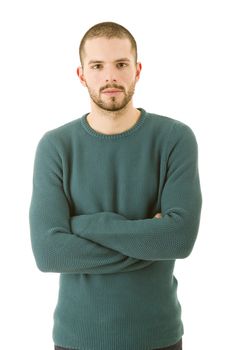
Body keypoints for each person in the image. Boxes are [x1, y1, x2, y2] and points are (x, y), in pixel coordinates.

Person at [29, 21, 202, 350]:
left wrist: (82, 226)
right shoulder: (55, 146)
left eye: (121, 64)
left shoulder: (175, 139)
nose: (110, 77)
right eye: (97, 66)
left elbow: (178, 239)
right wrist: (149, 240)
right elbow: (49, 253)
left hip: (158, 337)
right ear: (81, 74)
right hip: (76, 339)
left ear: (137, 70)